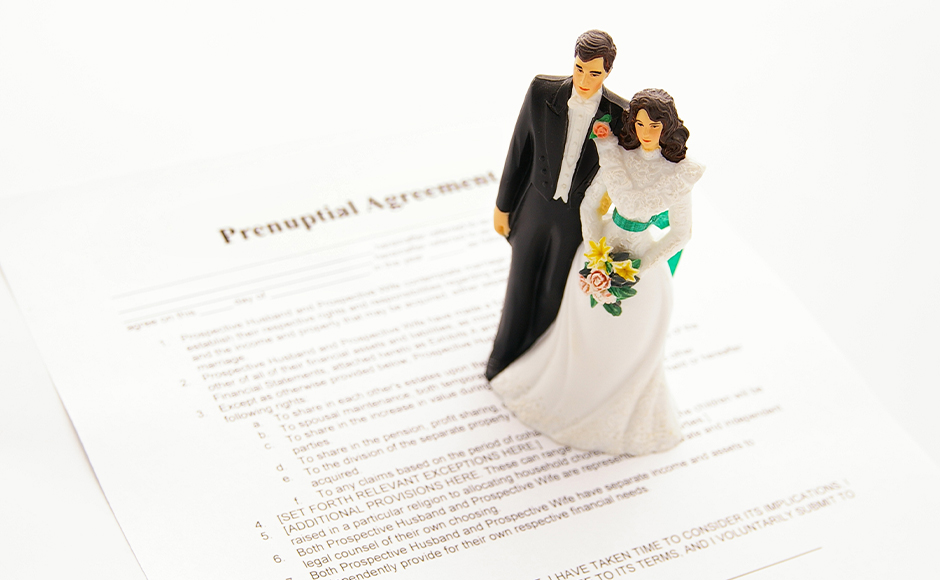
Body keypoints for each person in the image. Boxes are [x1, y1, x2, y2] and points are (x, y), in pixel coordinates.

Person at [489, 88, 705, 455]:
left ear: (667, 127)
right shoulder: (618, 158)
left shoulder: (678, 176)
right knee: (584, 329)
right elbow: (590, 206)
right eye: (639, 123)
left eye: (654, 124)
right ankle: (574, 390)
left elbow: (681, 233)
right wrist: (594, 249)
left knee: (628, 339)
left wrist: (640, 266)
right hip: (600, 248)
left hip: (642, 267)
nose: (646, 131)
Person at [486, 30, 629, 381]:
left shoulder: (620, 113)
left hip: (577, 218)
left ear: (608, 72)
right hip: (534, 206)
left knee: (554, 291)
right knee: (519, 284)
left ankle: (536, 364)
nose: (584, 79)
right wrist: (503, 206)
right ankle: (501, 360)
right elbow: (518, 150)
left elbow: (623, 172)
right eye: (580, 68)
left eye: (594, 73)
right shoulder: (541, 91)